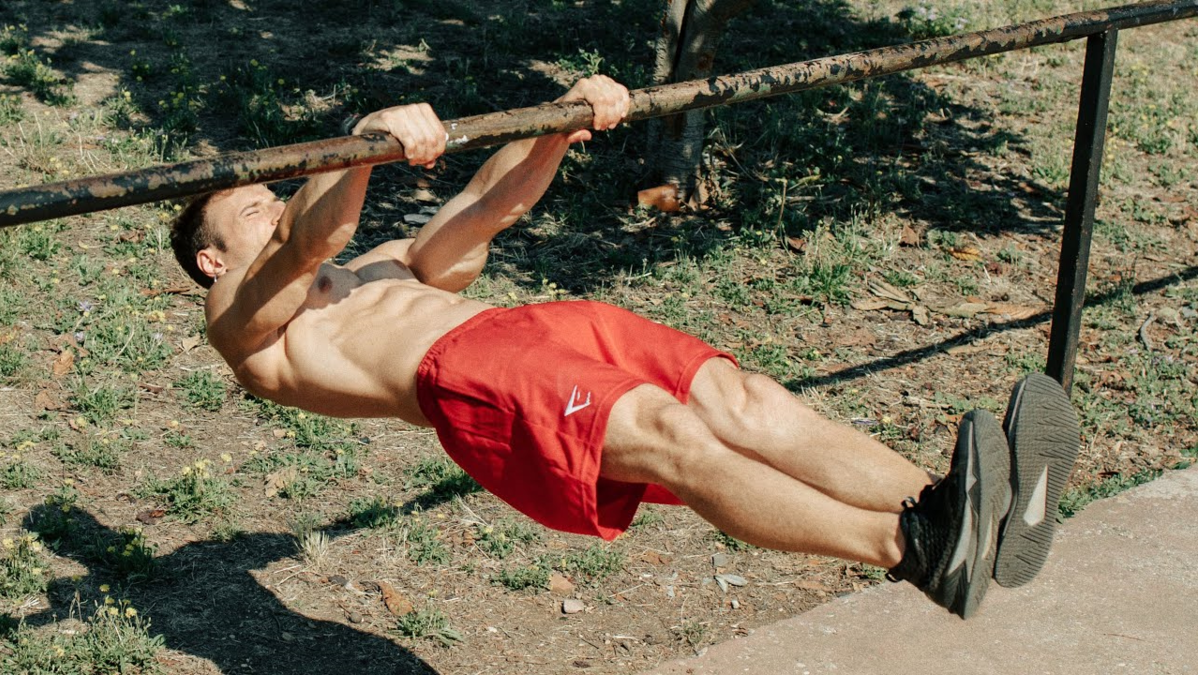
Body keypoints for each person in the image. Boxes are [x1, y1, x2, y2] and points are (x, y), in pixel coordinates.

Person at [170, 75, 1080, 619]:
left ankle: (954, 510)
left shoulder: (378, 267)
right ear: (211, 253)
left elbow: (489, 207)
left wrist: (559, 119)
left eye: (273, 191)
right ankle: (912, 548)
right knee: (672, 438)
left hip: (535, 330)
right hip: (469, 377)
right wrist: (364, 144)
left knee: (740, 398)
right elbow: (305, 244)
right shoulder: (246, 325)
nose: (272, 201)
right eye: (249, 204)